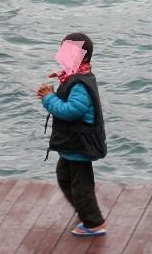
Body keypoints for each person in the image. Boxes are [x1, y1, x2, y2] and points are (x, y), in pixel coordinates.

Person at [36, 32, 108, 237]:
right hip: (72, 144)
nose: (61, 55)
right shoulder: (74, 78)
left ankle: (94, 223)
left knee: (81, 186)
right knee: (65, 177)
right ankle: (85, 212)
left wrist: (48, 98)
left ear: (80, 57)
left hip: (80, 145)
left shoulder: (79, 84)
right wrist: (55, 88)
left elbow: (71, 111)